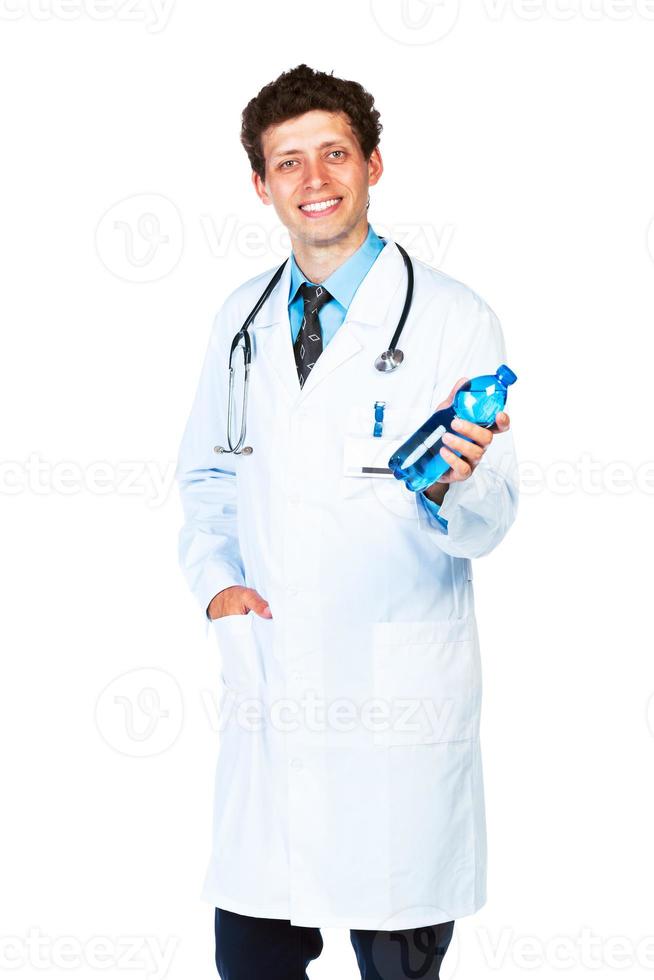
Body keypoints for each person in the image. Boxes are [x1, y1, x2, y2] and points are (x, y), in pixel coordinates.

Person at [175, 63, 519, 980]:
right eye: (289, 162)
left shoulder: (452, 319)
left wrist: (453, 486)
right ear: (261, 185)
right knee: (248, 958)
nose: (314, 179)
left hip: (395, 715)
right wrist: (218, 592)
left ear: (372, 163)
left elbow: (491, 520)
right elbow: (206, 477)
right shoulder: (238, 325)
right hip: (272, 696)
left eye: (334, 153)